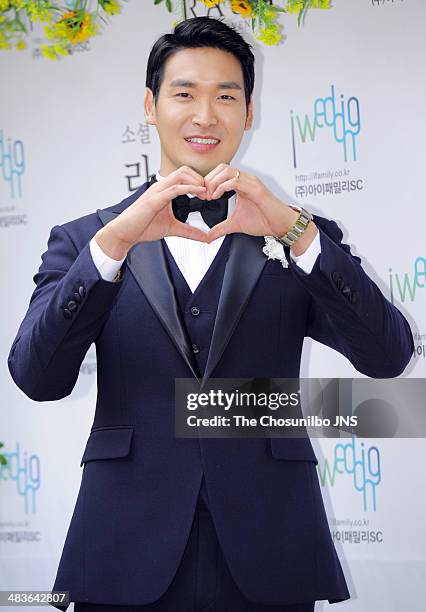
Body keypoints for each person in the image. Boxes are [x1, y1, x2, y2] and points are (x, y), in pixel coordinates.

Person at [7, 15, 414, 612]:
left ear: (249, 112)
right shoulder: (85, 240)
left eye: (226, 96)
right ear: (150, 106)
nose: (205, 115)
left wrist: (292, 230)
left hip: (270, 546)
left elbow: (389, 357)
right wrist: (114, 246)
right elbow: (37, 379)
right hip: (123, 547)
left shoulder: (297, 233)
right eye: (184, 94)